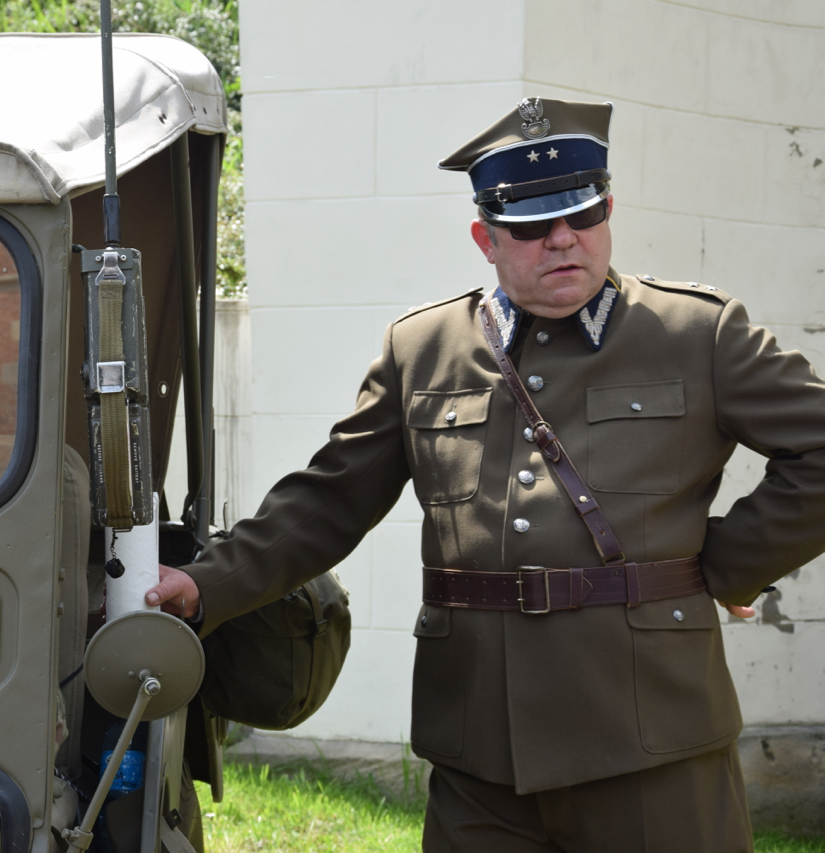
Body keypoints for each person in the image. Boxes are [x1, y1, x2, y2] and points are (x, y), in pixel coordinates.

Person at [146, 97, 825, 851]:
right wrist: (208, 583)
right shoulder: (423, 347)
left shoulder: (697, 333)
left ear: (609, 210)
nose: (564, 239)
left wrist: (727, 566)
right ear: (486, 236)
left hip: (652, 737)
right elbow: (330, 497)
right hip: (480, 750)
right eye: (533, 224)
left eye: (584, 213)